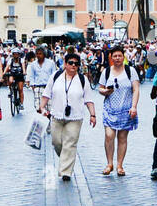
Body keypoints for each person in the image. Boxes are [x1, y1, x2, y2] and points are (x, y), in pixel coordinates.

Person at [41, 53, 97, 181]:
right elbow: (46, 94)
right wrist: (42, 108)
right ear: (65, 64)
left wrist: (92, 115)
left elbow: (88, 99)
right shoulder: (55, 77)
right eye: (71, 63)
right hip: (56, 115)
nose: (73, 66)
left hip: (75, 118)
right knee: (57, 142)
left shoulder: (83, 80)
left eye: (76, 64)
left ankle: (66, 172)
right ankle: (67, 160)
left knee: (70, 144)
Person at [98, 44, 139, 176]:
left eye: (119, 56)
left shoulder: (130, 71)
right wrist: (106, 91)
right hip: (110, 109)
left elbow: (136, 89)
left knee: (122, 138)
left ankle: (120, 165)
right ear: (111, 57)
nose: (117, 58)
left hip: (126, 110)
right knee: (109, 136)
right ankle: (109, 163)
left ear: (123, 57)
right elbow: (100, 88)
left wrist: (134, 106)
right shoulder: (107, 72)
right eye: (114, 56)